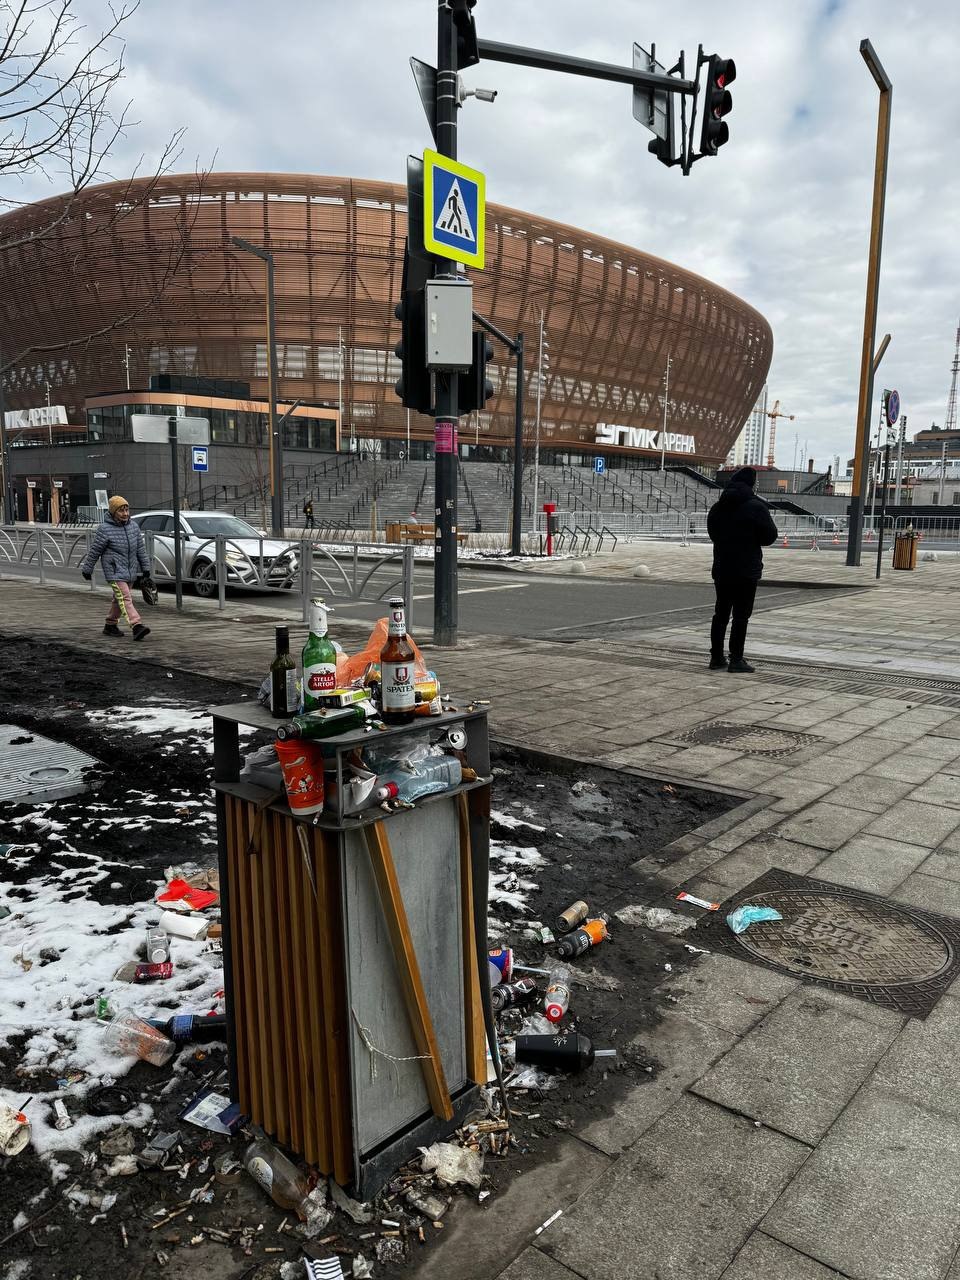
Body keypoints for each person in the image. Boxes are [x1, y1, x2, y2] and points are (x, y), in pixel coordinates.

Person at [707, 466, 778, 674]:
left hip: (722, 567)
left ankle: (716, 657)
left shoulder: (717, 508)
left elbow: (713, 534)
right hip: (746, 569)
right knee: (740, 616)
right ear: (751, 484)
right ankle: (736, 659)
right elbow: (770, 536)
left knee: (720, 613)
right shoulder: (756, 507)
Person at [79, 495, 153, 640]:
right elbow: (95, 550)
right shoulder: (104, 529)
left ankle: (110, 625)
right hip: (114, 571)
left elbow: (140, 550)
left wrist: (146, 568)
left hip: (130, 570)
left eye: (126, 510)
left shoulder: (133, 527)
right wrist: (87, 569)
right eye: (121, 511)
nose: (125, 513)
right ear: (113, 512)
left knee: (119, 599)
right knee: (125, 598)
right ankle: (136, 625)